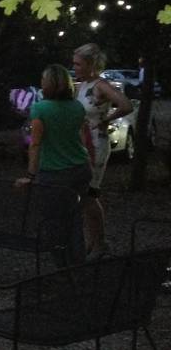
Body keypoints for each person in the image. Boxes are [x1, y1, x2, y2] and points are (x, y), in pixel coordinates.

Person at [16, 64, 93, 266]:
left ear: (49, 83)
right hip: (80, 167)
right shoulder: (77, 106)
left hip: (55, 172)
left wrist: (31, 174)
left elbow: (35, 143)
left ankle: (62, 265)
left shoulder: (40, 109)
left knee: (55, 221)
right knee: (75, 218)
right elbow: (80, 137)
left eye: (43, 79)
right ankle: (78, 262)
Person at [73, 44, 131, 259]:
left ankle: (99, 243)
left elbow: (125, 105)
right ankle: (92, 241)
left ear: (90, 64)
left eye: (78, 63)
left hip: (96, 143)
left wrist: (106, 119)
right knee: (84, 195)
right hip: (82, 142)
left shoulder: (101, 85)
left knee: (90, 194)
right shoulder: (81, 86)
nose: (75, 67)